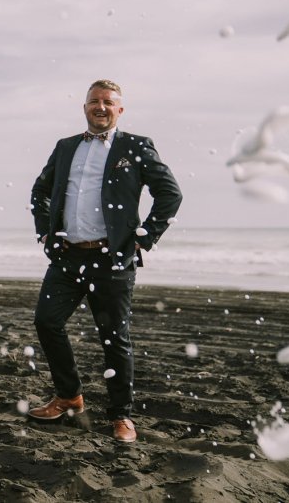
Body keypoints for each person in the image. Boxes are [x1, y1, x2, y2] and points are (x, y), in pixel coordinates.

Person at [28, 79, 182, 443]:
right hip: (67, 256)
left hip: (112, 259)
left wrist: (146, 237)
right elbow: (40, 191)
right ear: (84, 108)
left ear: (120, 110)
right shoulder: (66, 147)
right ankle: (69, 396)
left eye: (108, 102)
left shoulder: (135, 146)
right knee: (46, 322)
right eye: (94, 101)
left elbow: (169, 193)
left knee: (114, 338)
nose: (101, 107)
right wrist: (46, 233)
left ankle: (121, 416)